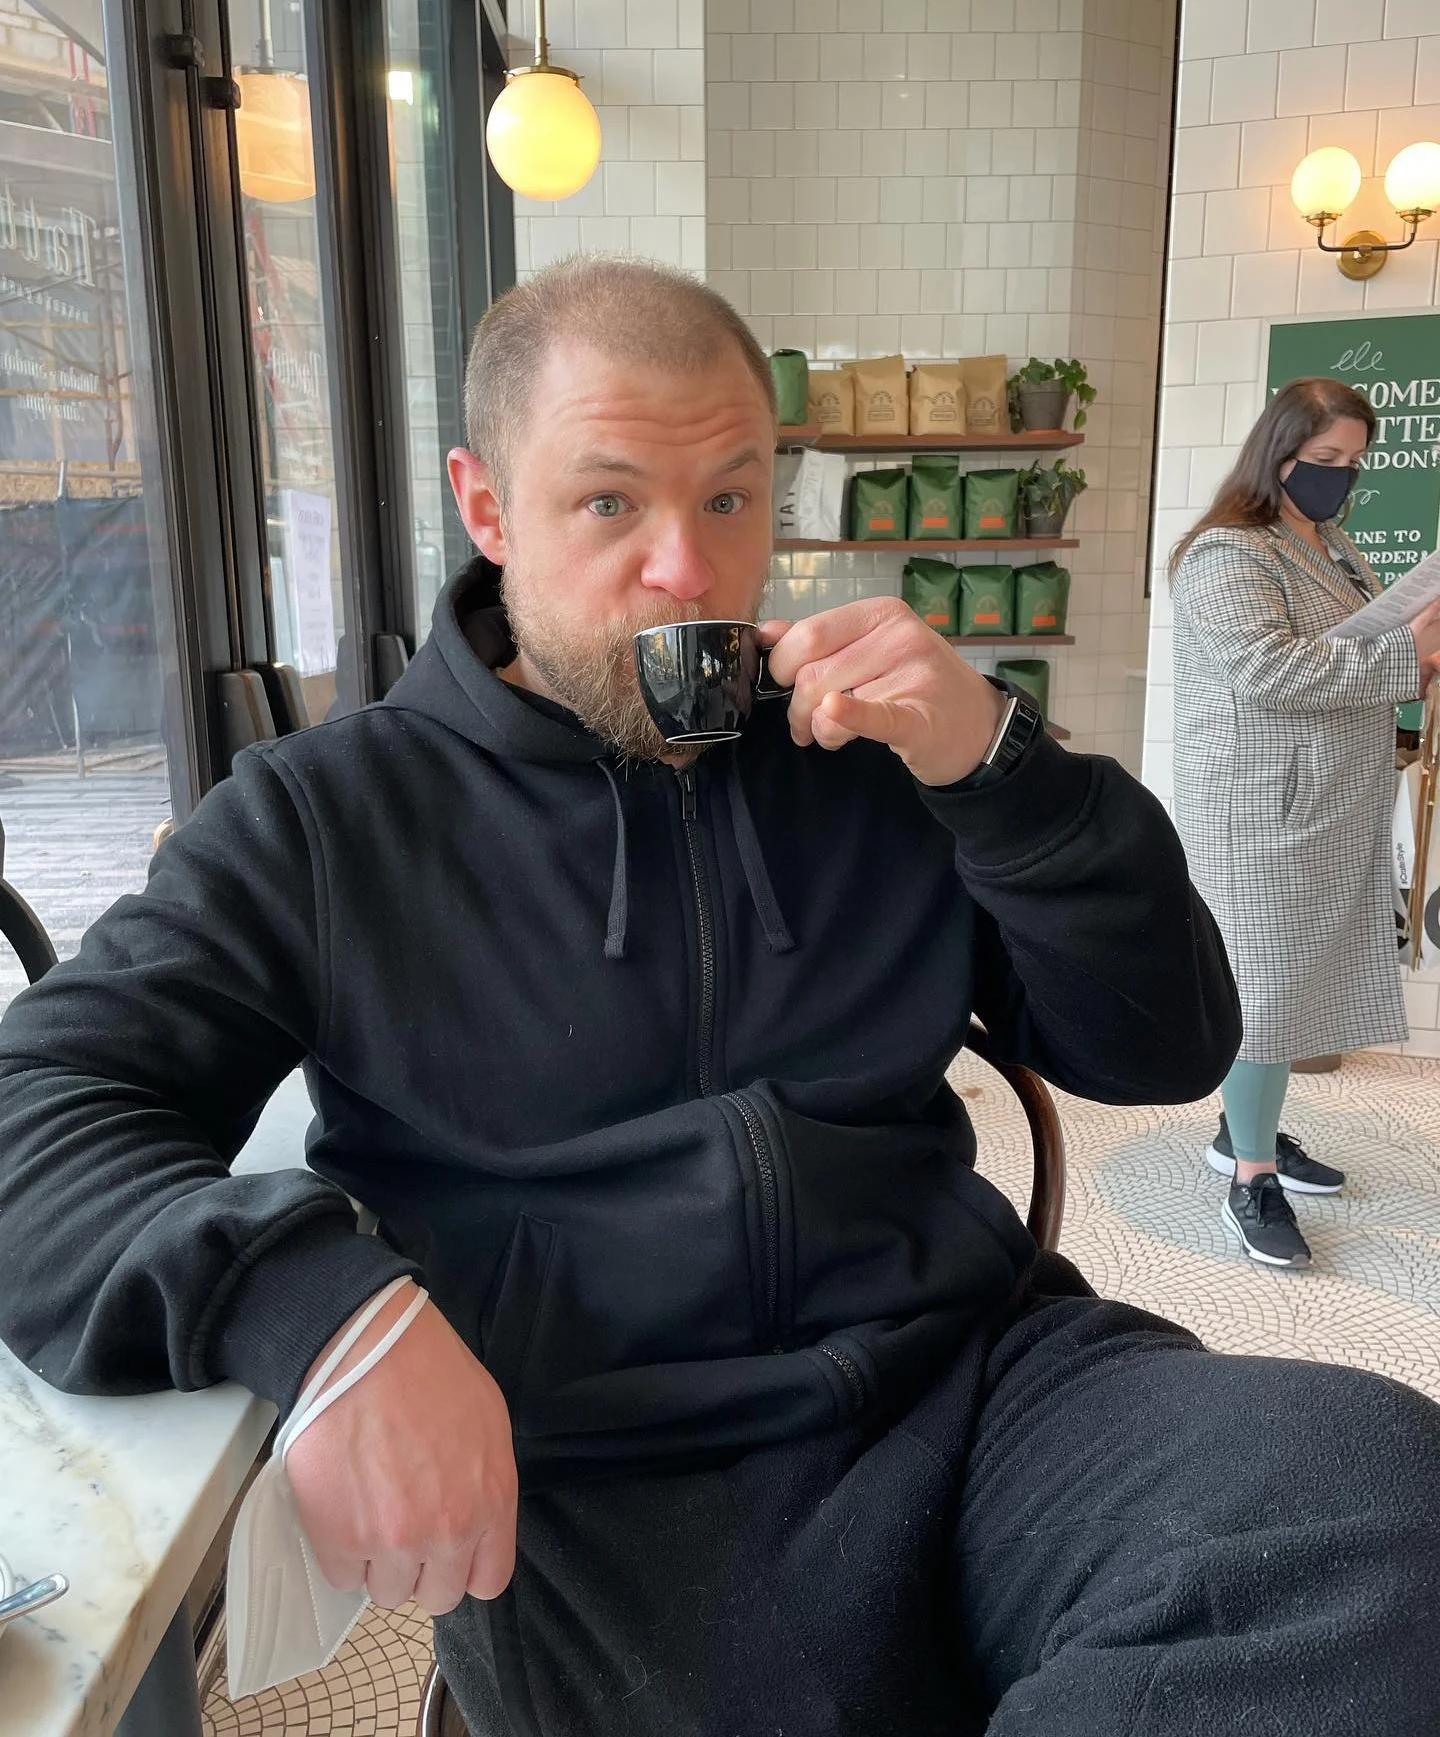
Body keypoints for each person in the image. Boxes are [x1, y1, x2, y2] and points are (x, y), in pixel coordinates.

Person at [0, 263, 1437, 1736]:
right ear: (490, 512)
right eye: (610, 502)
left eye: (733, 501)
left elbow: (1161, 1046)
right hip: (606, 1488)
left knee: (1375, 1512)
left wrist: (999, 768)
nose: (688, 568)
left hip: (980, 1393)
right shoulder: (329, 817)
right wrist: (320, 1315)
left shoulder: (877, 757)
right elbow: (35, 1109)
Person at [1170, 376, 1440, 1270]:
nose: (1340, 478)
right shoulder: (1228, 554)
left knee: (1286, 988)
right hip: (1260, 811)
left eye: (1353, 463)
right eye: (1325, 460)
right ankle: (1250, 1180)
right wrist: (1409, 655)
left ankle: (1245, 1131)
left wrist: (1412, 648)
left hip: (1325, 802)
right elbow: (1268, 672)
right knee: (1263, 997)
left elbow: (1351, 646)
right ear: (1276, 451)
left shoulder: (1331, 544)